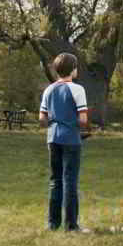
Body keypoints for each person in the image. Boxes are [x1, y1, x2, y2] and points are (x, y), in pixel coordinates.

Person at [39, 52, 89, 232]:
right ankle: (71, 226)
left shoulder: (48, 89)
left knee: (55, 181)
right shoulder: (78, 89)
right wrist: (75, 125)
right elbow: (83, 120)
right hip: (71, 140)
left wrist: (56, 121)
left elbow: (42, 119)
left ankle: (52, 224)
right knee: (70, 181)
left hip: (52, 138)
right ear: (73, 70)